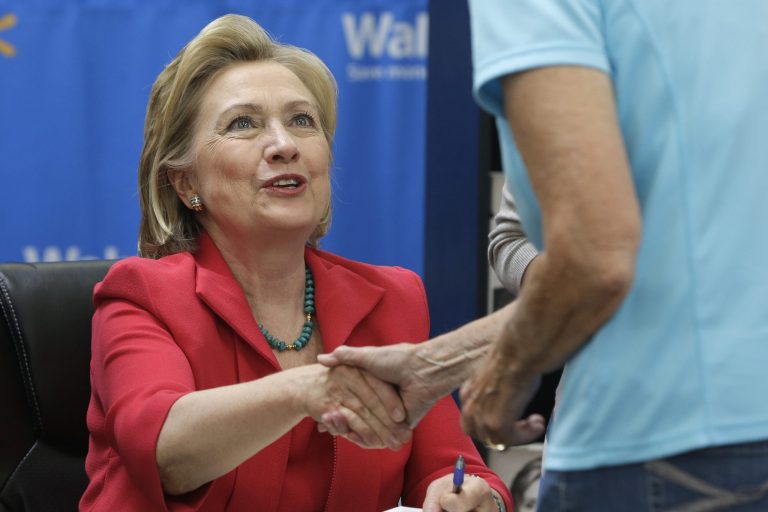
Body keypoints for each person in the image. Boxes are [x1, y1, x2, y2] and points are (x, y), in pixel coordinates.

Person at [320, 1, 768, 509]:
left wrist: (506, 369)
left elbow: (595, 258)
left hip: (666, 437)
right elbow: (655, 258)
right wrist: (442, 363)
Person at [79, 14, 512, 512]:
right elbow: (166, 453)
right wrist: (311, 389)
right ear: (185, 183)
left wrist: (473, 498)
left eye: (302, 121)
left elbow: (454, 466)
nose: (285, 145)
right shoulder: (142, 295)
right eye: (243, 124)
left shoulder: (392, 298)